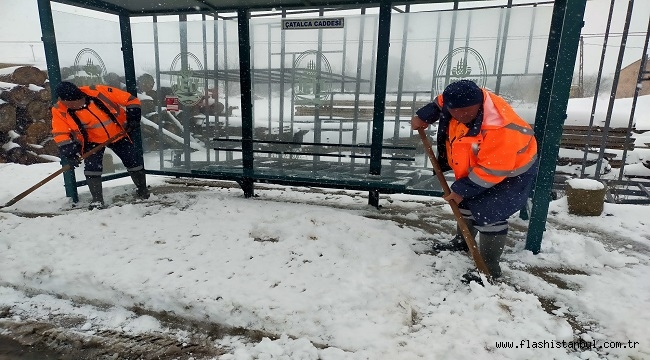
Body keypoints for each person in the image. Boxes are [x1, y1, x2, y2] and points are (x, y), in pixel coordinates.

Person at [411, 80, 539, 281]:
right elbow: (440, 102)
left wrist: (463, 189)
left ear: (479, 104)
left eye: (467, 111)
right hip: (481, 164)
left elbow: (492, 170)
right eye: (456, 111)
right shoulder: (457, 100)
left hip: (512, 170)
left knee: (490, 212)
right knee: (464, 203)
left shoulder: (500, 129)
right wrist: (423, 116)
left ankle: (489, 269)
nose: (462, 116)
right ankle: (462, 241)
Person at [51, 81, 149, 209]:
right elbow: (61, 133)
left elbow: (131, 100)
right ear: (63, 101)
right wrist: (70, 152)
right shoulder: (59, 110)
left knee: (133, 161)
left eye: (78, 102)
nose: (77, 106)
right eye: (73, 105)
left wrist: (133, 118)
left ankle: (142, 190)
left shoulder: (97, 91)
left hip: (118, 133)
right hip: (92, 141)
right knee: (92, 168)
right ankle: (97, 200)